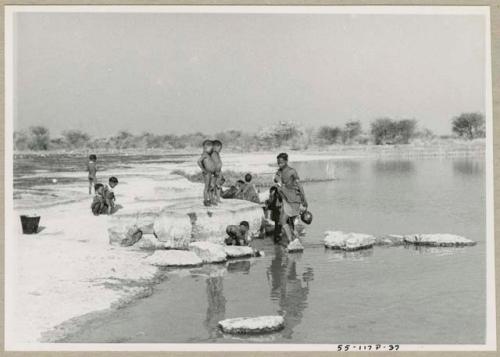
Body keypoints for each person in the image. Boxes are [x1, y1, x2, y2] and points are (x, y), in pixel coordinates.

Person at [274, 152, 308, 246]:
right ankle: (294, 241)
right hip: (286, 199)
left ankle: (291, 241)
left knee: (283, 220)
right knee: (289, 222)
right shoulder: (279, 172)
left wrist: (304, 199)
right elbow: (277, 182)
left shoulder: (292, 171)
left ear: (286, 161)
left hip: (294, 199)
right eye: (278, 162)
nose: (279, 164)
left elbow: (299, 185)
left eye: (281, 162)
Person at [197, 140, 216, 206]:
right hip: (207, 173)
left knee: (211, 187)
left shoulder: (208, 155)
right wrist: (203, 169)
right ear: (206, 148)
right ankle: (206, 201)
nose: (211, 149)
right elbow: (199, 161)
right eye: (210, 148)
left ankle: (211, 200)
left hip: (211, 173)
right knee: (207, 187)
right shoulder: (204, 154)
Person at [211, 140, 224, 204]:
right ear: (216, 146)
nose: (220, 150)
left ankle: (218, 199)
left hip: (218, 172)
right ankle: (213, 199)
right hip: (214, 172)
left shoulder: (216, 154)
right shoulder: (213, 154)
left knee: (218, 186)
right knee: (213, 186)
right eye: (220, 148)